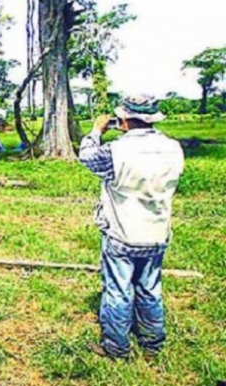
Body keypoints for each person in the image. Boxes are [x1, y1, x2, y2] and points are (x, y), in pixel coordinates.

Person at [79, 94, 184, 359]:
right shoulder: (174, 148)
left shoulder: (116, 150)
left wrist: (96, 131)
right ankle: (152, 343)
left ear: (124, 120)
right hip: (157, 231)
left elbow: (87, 157)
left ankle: (116, 346)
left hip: (122, 232)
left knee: (118, 290)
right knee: (150, 288)